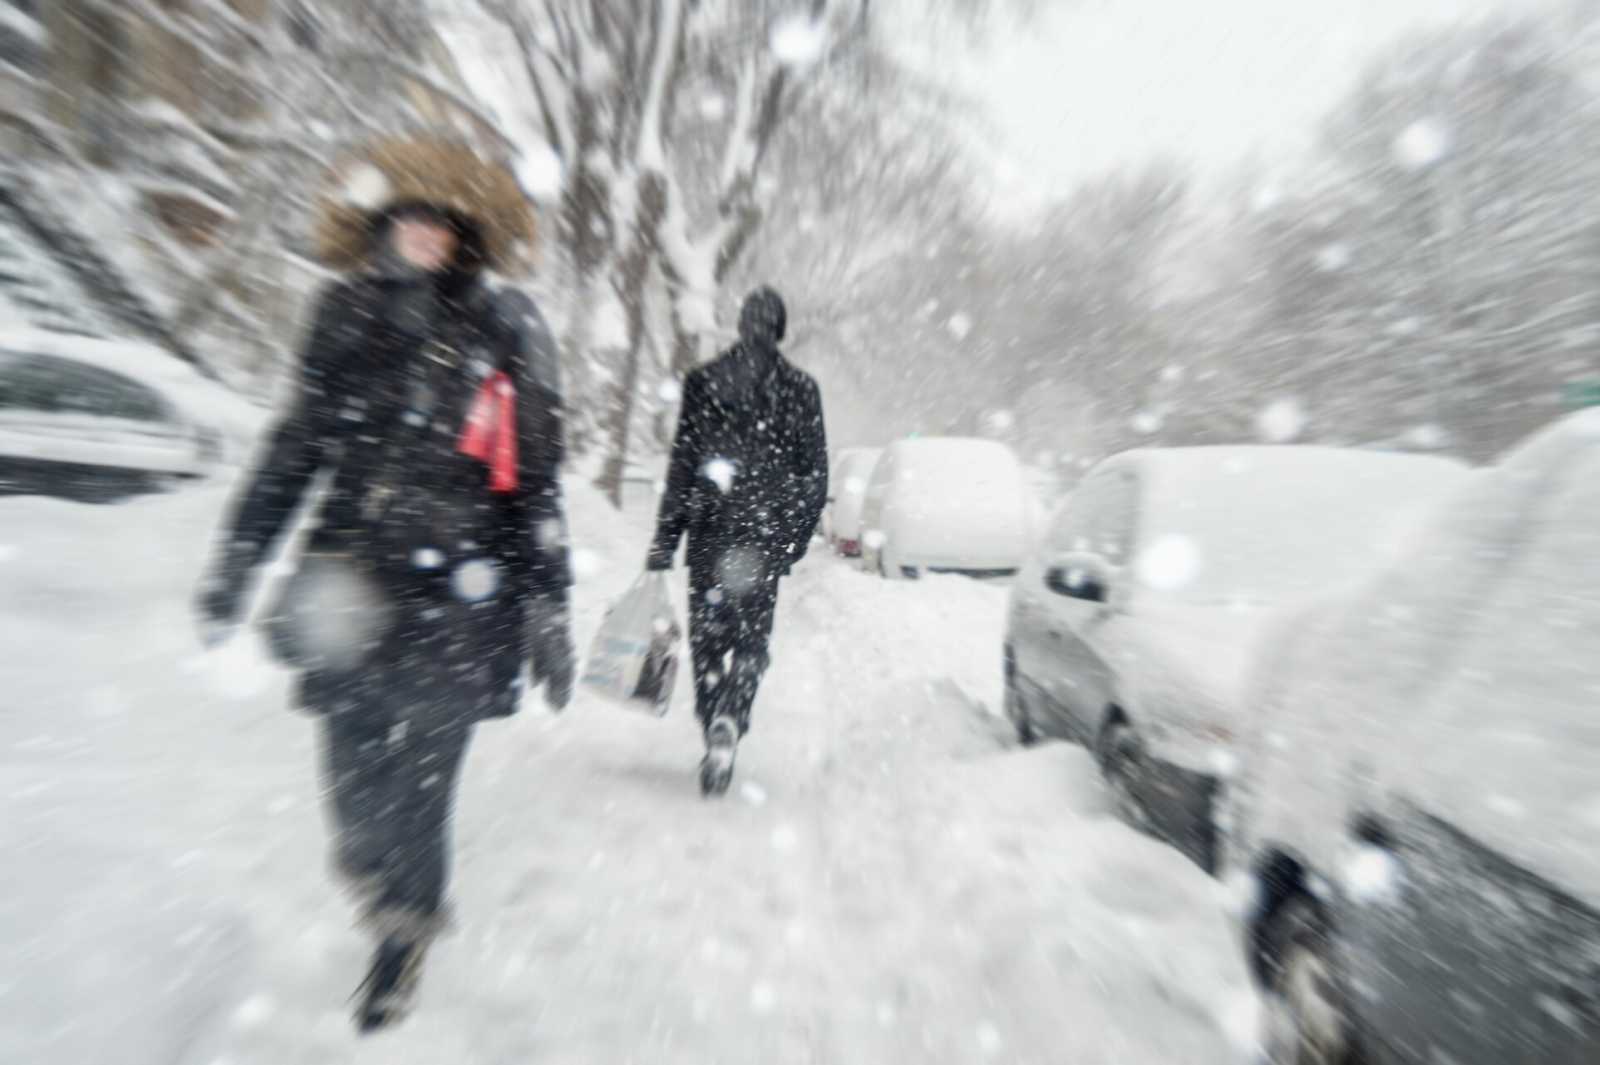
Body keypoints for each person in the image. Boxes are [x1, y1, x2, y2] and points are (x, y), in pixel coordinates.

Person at [194, 137, 575, 1032]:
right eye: (409, 218)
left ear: (464, 236)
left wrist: (548, 599)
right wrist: (237, 562)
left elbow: (536, 479)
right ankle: (375, 879)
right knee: (351, 783)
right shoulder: (343, 314)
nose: (424, 235)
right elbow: (295, 447)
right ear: (381, 226)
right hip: (347, 593)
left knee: (422, 785)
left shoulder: (504, 326)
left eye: (442, 223)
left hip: (460, 601)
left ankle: (403, 936)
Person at [646, 287, 828, 796]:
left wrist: (666, 537)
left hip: (709, 530)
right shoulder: (801, 390)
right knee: (750, 642)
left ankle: (713, 721)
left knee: (708, 640)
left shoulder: (704, 382)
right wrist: (790, 542)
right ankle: (732, 713)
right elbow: (815, 477)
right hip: (761, 538)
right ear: (779, 329)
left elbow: (683, 463)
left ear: (741, 324)